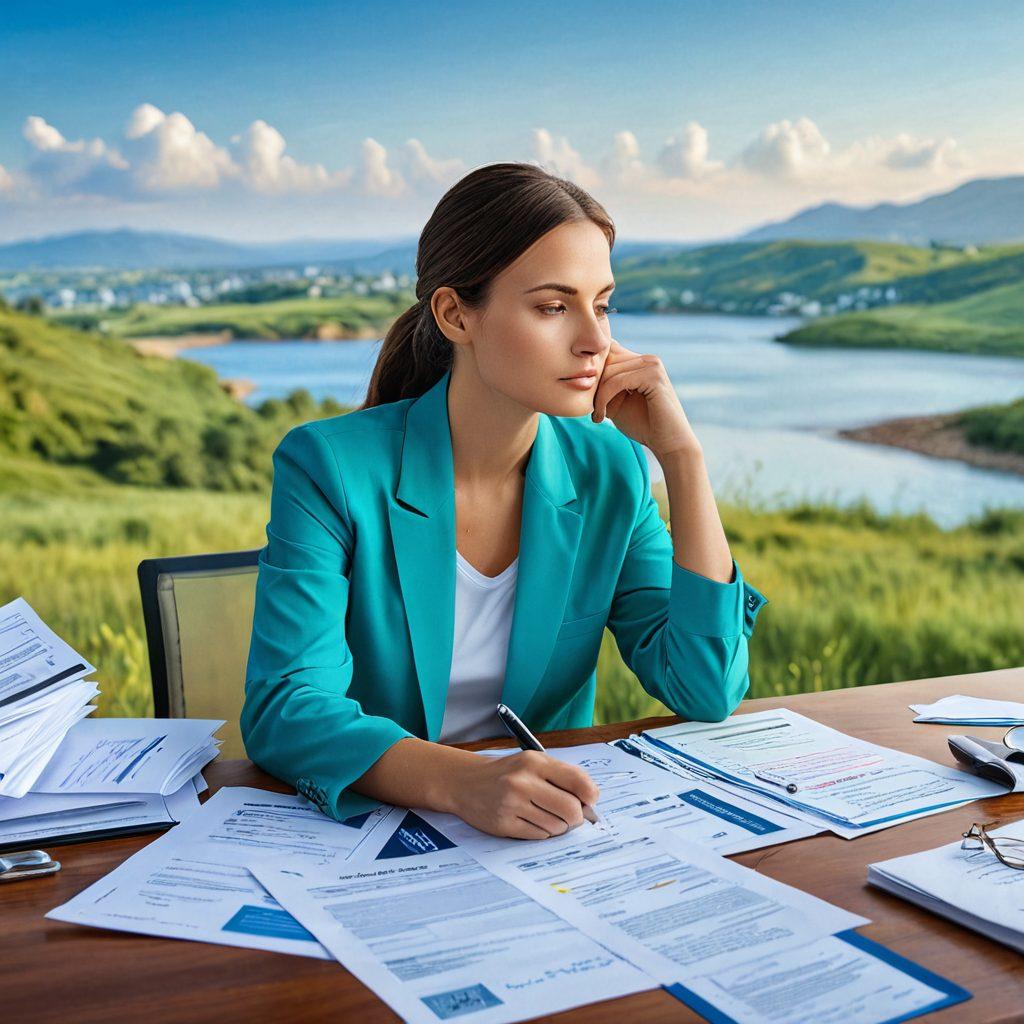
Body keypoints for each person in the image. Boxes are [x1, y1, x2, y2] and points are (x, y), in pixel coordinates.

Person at [241, 161, 768, 840]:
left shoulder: (611, 469)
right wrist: (462, 783)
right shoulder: (331, 465)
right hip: (374, 832)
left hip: (548, 841)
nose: (595, 340)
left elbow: (706, 688)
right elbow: (288, 707)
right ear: (456, 314)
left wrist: (683, 461)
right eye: (553, 306)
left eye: (602, 304)